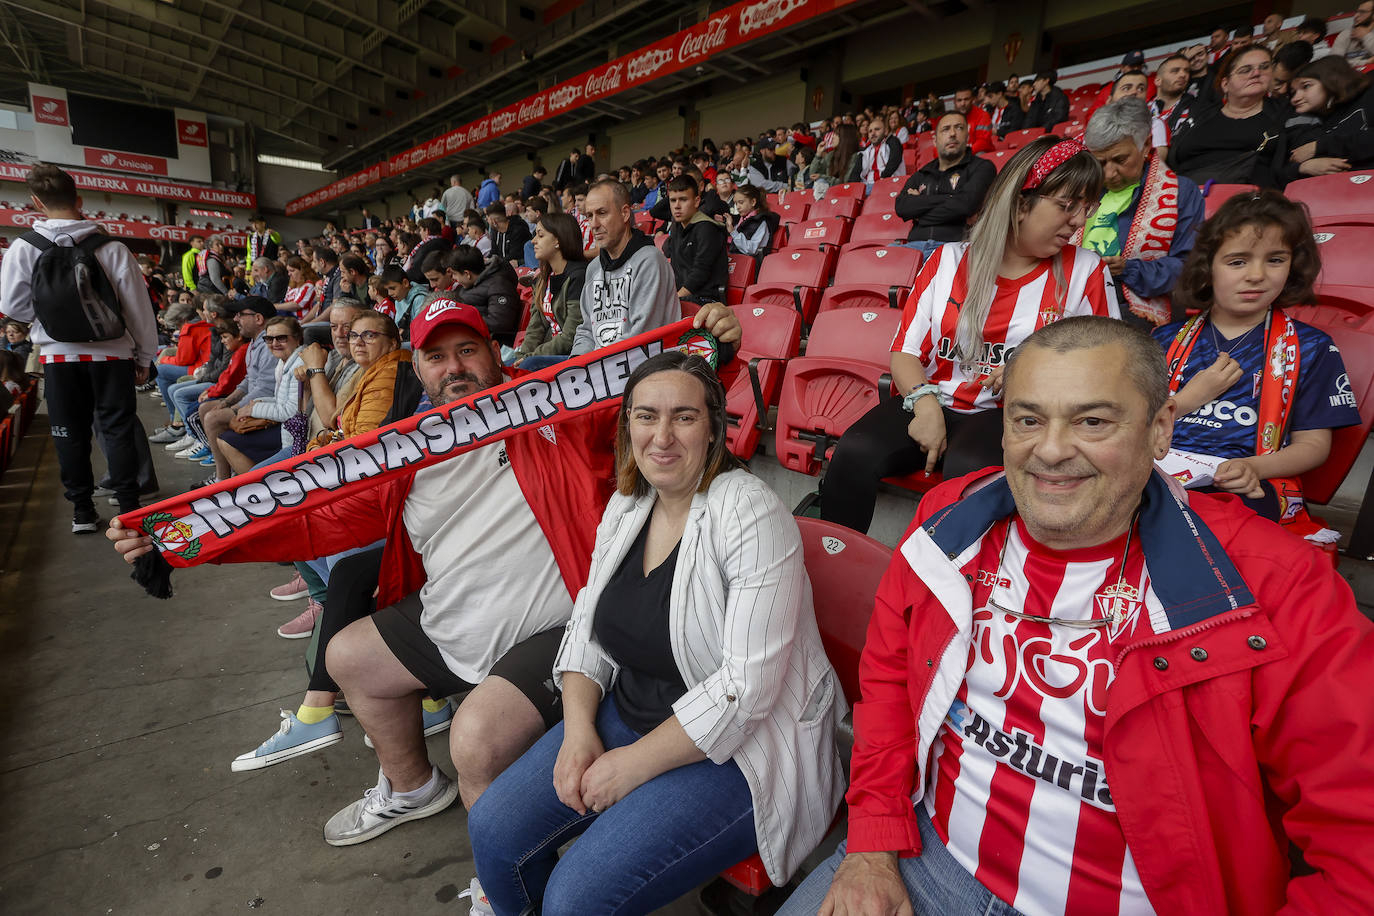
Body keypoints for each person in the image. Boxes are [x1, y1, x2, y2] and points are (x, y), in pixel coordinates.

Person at [785, 310, 1374, 915]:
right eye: (1028, 420)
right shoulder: (948, 520)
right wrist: (872, 846)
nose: (1052, 450)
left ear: (1160, 429)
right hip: (926, 861)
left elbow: (1358, 842)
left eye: (1093, 421)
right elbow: (887, 689)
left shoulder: (1273, 583)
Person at [468, 351, 847, 915]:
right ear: (627, 427)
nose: (662, 436)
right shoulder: (628, 504)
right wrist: (577, 733)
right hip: (631, 713)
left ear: (715, 428)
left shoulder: (750, 512)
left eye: (684, 417)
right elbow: (586, 631)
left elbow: (747, 691)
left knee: (574, 897)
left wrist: (631, 765)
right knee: (493, 832)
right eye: (646, 417)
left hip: (743, 754)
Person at [819, 136, 1119, 535]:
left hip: (1012, 414)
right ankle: (830, 565)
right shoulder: (947, 260)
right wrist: (925, 406)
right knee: (853, 452)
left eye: (1088, 208)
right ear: (1019, 201)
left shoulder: (1087, 271)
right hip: (931, 396)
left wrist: (1031, 374)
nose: (1079, 221)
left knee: (967, 472)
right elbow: (906, 352)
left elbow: (1107, 366)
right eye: (1067, 206)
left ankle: (945, 587)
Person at [1155, 190, 1360, 535]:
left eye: (1275, 260)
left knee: (1213, 527)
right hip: (1156, 469)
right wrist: (1192, 397)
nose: (1257, 275)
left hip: (1243, 482)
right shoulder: (1165, 340)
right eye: (1238, 261)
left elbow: (1313, 447)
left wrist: (1252, 467)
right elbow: (1132, 421)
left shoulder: (1311, 348)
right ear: (1208, 267)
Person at [0, 164, 158, 531]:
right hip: (113, 355)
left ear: (37, 202)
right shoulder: (112, 247)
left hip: (58, 356)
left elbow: (13, 306)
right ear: (80, 200)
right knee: (117, 429)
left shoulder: (25, 246)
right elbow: (138, 309)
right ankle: (129, 507)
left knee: (69, 433)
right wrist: (144, 356)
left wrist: (50, 320)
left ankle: (82, 511)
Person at [1080, 99, 1205, 327]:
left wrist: (1129, 269)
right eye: (1100, 162)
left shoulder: (1180, 192)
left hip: (1134, 302)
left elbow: (1190, 267)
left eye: (1119, 160)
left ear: (1146, 145)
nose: (1108, 173)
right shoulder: (1083, 190)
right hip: (1077, 292)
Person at [570, 179, 680, 357]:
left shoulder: (650, 261)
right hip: (600, 371)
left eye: (602, 213)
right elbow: (586, 331)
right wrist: (575, 366)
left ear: (625, 213)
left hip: (644, 372)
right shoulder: (593, 268)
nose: (594, 224)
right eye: (590, 216)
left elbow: (642, 338)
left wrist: (594, 368)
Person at [1168, 46, 1287, 187]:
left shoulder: (1283, 114)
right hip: (1185, 194)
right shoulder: (1200, 115)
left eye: (1264, 67)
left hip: (1249, 201)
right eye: (1245, 70)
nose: (1256, 73)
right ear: (1225, 84)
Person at [894, 111, 996, 258]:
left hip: (955, 247)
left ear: (967, 136)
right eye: (946, 129)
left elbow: (966, 205)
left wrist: (920, 214)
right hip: (914, 246)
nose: (953, 133)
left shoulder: (982, 167)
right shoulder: (923, 172)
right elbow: (901, 206)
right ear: (935, 140)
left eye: (959, 128)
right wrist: (950, 198)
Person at [214, 315, 304, 475]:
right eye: (269, 339)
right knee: (226, 435)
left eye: (281, 338)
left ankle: (259, 489)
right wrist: (254, 403)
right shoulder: (284, 361)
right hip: (285, 428)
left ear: (297, 339)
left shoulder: (300, 364)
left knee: (227, 440)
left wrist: (253, 409)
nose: (274, 344)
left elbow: (290, 412)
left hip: (295, 437)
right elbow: (279, 400)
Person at [510, 213, 587, 370]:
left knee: (530, 364)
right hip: (547, 352)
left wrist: (530, 357)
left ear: (558, 240)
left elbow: (571, 335)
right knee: (505, 365)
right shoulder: (543, 279)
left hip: (572, 355)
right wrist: (520, 357)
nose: (533, 241)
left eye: (540, 235)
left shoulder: (578, 276)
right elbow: (535, 329)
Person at [1284, 56, 1374, 180]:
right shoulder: (1307, 120)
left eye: (1306, 86)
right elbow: (1292, 162)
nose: (1295, 98)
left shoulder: (1369, 94)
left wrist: (1320, 146)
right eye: (1293, 92)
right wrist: (1303, 166)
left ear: (1331, 80)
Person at [661, 175, 728, 304]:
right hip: (683, 298)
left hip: (706, 300)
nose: (677, 206)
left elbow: (700, 273)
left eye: (683, 200)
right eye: (673, 200)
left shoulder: (707, 228)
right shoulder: (677, 228)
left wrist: (673, 300)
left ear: (697, 201)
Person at [447, 245, 520, 343]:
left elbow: (500, 323)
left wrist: (463, 319)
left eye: (455, 274)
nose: (454, 279)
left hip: (489, 342)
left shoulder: (498, 285)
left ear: (467, 274)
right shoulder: (471, 285)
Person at [726, 183, 779, 259]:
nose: (737, 207)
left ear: (753, 202)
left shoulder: (761, 222)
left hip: (753, 265)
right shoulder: (742, 219)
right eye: (736, 203)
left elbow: (751, 250)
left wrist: (733, 232)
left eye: (741, 202)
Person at [1151, 52, 1196, 139]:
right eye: (1175, 71)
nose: (1183, 75)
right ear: (1158, 81)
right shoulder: (1142, 110)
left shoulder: (1198, 109)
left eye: (1186, 71)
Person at [854, 120, 906, 190]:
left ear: (885, 131)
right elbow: (856, 173)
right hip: (867, 186)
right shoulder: (865, 152)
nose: (873, 133)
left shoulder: (893, 143)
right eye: (870, 131)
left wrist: (883, 177)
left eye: (877, 129)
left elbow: (895, 160)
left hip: (890, 184)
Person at [380, 265, 429, 339]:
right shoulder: (399, 299)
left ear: (405, 283)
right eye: (387, 290)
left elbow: (421, 330)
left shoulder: (420, 299)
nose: (389, 293)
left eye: (392, 288)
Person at [1332, 0, 1374, 67]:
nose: (1356, 15)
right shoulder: (1346, 34)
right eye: (1357, 12)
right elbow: (1334, 63)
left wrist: (1366, 36)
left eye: (1362, 12)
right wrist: (1366, 62)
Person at [952, 87, 994, 153]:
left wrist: (963, 155)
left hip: (979, 154)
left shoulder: (983, 115)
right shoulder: (950, 118)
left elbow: (983, 142)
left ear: (972, 100)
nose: (963, 103)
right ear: (954, 102)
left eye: (966, 99)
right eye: (959, 100)